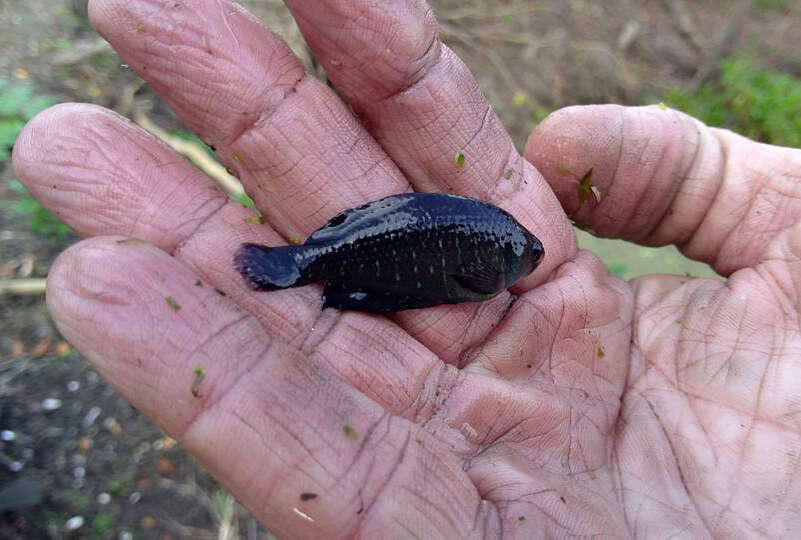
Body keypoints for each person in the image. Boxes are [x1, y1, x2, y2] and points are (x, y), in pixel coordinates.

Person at [13, 0, 801, 538]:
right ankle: (296, 267)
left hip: (345, 258)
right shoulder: (489, 255)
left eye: (521, 258)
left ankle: (300, 267)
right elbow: (424, 262)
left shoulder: (492, 250)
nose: (525, 265)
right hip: (338, 253)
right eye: (520, 257)